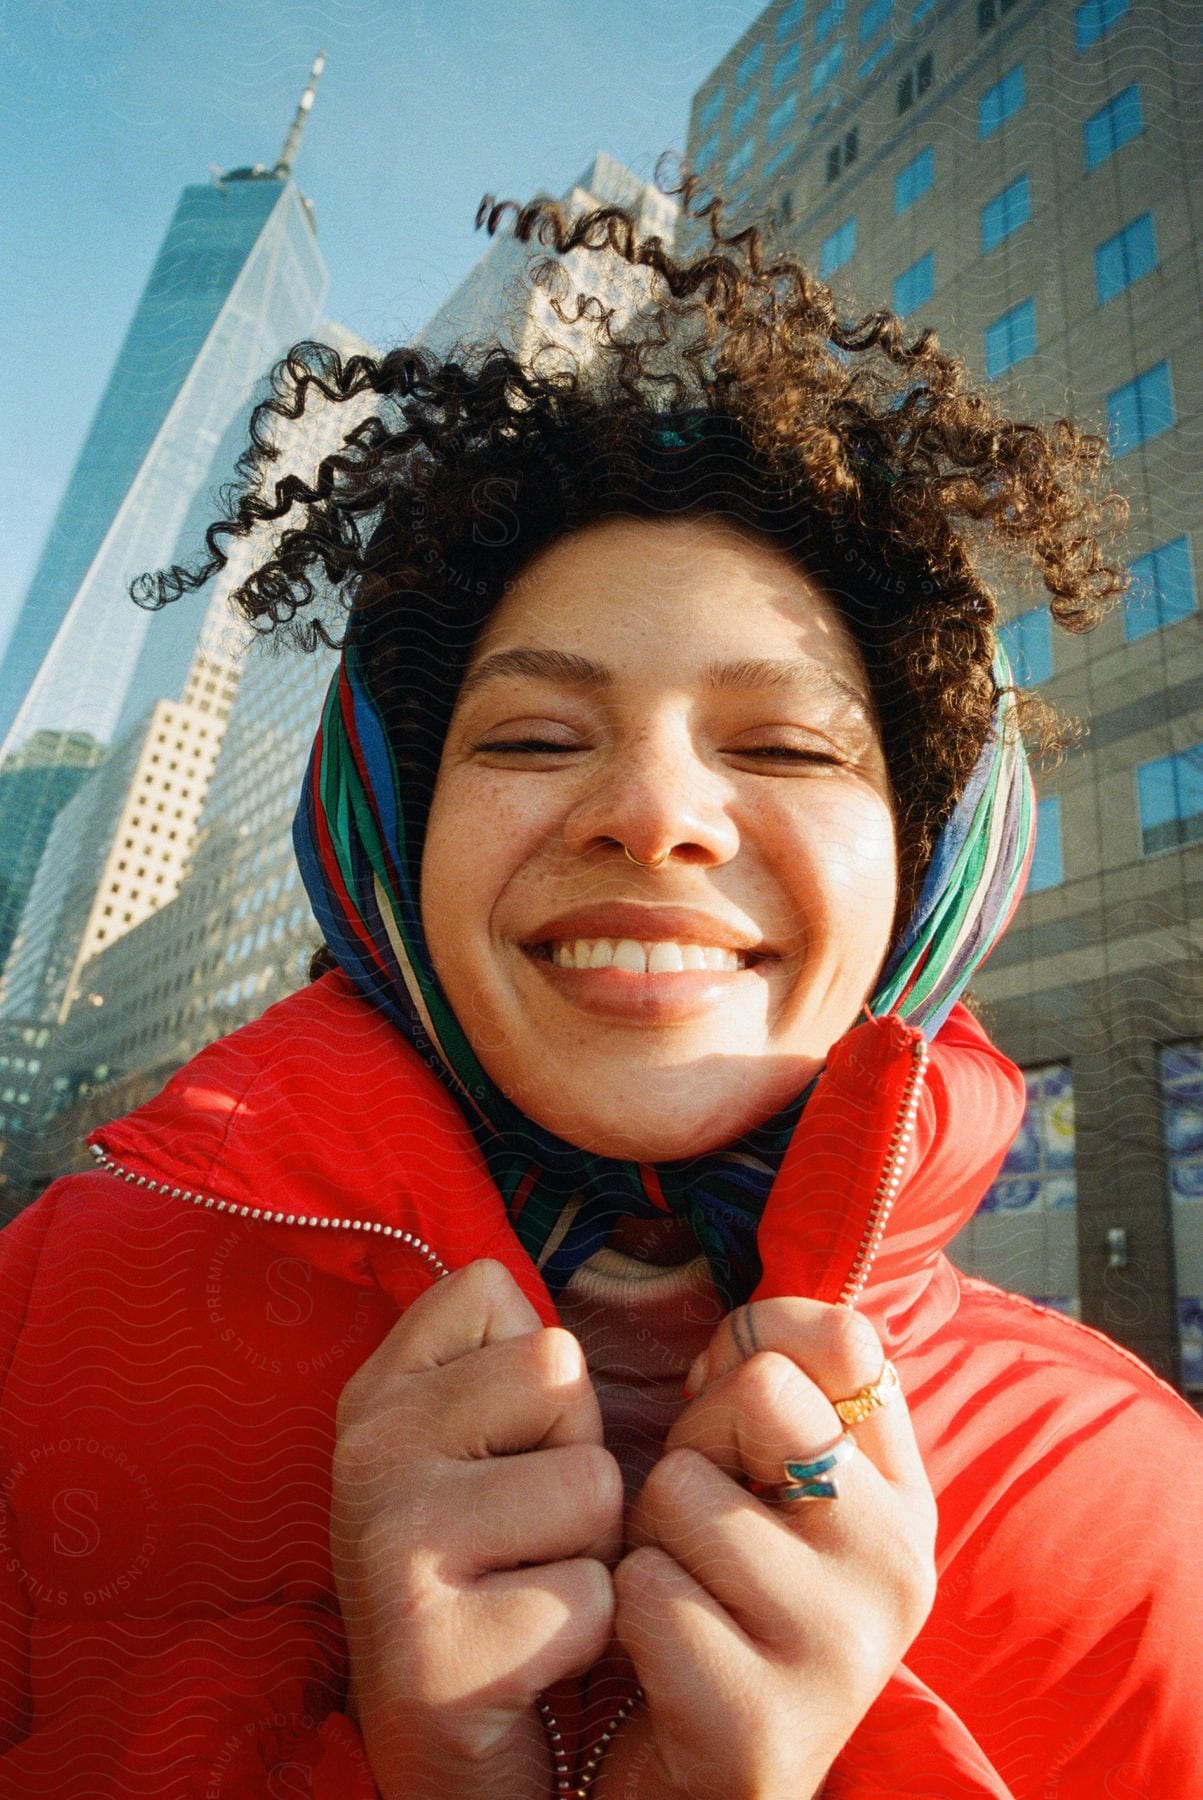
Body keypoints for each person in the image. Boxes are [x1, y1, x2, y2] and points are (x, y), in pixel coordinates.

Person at [0, 177, 1200, 1799]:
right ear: (391, 856)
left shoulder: (1146, 1509)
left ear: (928, 877)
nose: (653, 809)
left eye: (781, 745)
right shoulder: (40, 1324)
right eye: (532, 738)